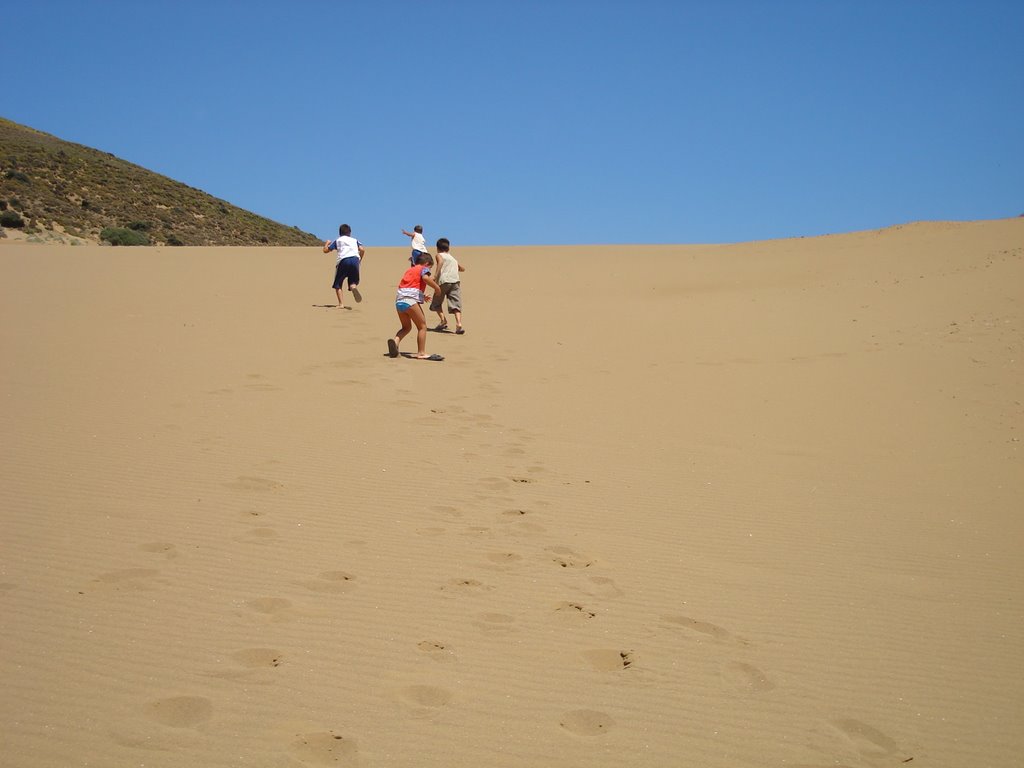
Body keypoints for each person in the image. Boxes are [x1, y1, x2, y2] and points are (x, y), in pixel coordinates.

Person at [388, 252, 443, 360]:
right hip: (410, 301)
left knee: (406, 327)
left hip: (399, 301)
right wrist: (437, 288)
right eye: (430, 268)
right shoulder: (423, 269)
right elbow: (426, 279)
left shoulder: (409, 270)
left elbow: (409, 287)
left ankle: (395, 343)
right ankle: (421, 353)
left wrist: (422, 297)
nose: (429, 271)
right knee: (422, 326)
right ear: (427, 264)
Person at [323, 224, 365, 308]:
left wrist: (327, 243)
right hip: (355, 260)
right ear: (350, 232)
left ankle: (341, 304)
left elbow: (325, 250)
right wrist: (360, 259)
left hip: (343, 261)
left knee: (338, 284)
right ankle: (353, 286)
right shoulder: (354, 240)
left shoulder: (338, 240)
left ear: (340, 233)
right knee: (353, 282)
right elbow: (362, 249)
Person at [429, 237, 465, 334]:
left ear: (437, 248)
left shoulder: (439, 255)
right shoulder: (452, 258)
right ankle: (459, 324)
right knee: (455, 304)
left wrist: (435, 275)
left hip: (443, 281)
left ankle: (443, 320)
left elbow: (440, 262)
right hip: (455, 282)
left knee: (436, 303)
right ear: (448, 248)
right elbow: (461, 268)